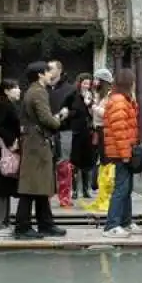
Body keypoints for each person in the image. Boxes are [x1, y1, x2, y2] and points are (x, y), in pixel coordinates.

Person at [15, 61, 68, 240]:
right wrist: (58, 118)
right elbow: (46, 119)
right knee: (31, 186)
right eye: (47, 71)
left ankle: (45, 223)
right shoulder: (38, 92)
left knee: (40, 185)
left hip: (36, 142)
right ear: (39, 75)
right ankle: (23, 227)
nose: (50, 74)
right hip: (36, 144)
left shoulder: (34, 90)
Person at [102, 68, 141, 239]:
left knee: (126, 188)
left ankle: (125, 221)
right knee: (121, 188)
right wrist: (125, 154)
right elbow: (120, 131)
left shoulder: (124, 99)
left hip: (124, 150)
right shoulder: (119, 101)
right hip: (120, 152)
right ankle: (112, 225)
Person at [0, 79, 21, 237]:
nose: (18, 90)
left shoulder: (9, 104)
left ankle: (4, 222)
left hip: (6, 150)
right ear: (6, 90)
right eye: (15, 88)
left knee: (5, 186)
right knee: (0, 188)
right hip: (3, 151)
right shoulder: (4, 105)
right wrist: (11, 140)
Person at [80, 68, 114, 212]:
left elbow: (106, 114)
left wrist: (92, 106)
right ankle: (101, 196)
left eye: (97, 79)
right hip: (98, 131)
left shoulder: (110, 96)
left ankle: (106, 198)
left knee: (107, 163)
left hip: (106, 131)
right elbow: (95, 114)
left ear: (103, 81)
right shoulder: (100, 95)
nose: (94, 82)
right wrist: (90, 104)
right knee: (101, 163)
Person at [62, 73, 94, 201]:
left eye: (88, 83)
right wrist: (71, 114)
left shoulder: (91, 96)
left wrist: (89, 103)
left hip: (88, 132)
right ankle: (74, 190)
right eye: (84, 83)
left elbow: (93, 113)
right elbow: (64, 110)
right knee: (75, 161)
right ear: (79, 83)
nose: (86, 85)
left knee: (86, 161)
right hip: (75, 132)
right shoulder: (72, 96)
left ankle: (86, 189)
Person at [48, 60, 73, 206]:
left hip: (65, 130)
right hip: (47, 130)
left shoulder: (70, 89)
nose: (48, 70)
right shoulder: (43, 88)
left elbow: (77, 110)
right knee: (47, 164)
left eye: (51, 68)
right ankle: (46, 196)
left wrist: (68, 113)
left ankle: (64, 197)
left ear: (59, 70)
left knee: (64, 164)